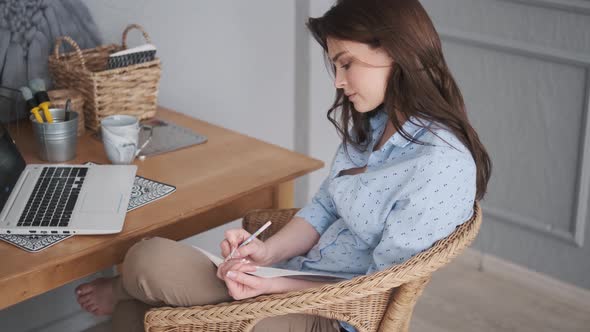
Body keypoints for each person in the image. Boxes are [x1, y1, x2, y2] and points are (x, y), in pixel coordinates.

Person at [75, 0, 491, 331]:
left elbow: (376, 287)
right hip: (293, 276)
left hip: (333, 314)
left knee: (147, 263)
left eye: (346, 63)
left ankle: (125, 290)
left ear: (394, 51)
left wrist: (276, 287)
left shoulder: (439, 165)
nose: (338, 82)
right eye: (335, 66)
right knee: (136, 312)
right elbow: (326, 207)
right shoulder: (376, 126)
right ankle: (128, 295)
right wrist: (265, 252)